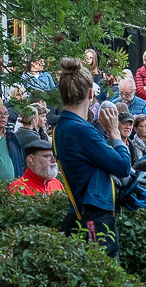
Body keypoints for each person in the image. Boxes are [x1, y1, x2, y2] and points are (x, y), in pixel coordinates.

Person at [48, 60, 136, 246]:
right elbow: (123, 166)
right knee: (107, 273)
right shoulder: (81, 131)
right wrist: (114, 133)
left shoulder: (61, 128)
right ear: (90, 93)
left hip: (80, 212)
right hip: (95, 218)